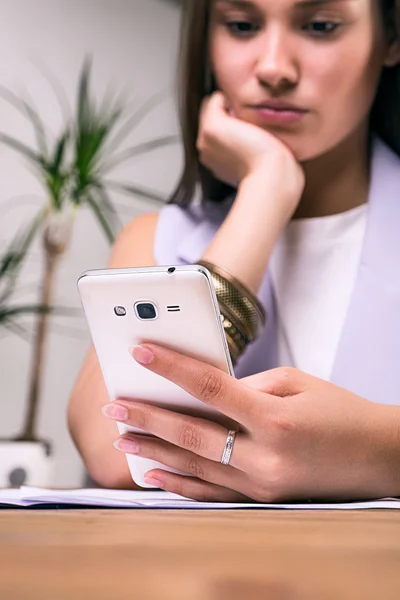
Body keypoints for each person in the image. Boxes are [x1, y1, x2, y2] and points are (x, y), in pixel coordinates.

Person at [68, 0, 400, 502]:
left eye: (320, 26)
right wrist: (266, 190)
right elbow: (114, 452)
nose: (273, 68)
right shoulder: (156, 239)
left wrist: (374, 449)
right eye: (242, 26)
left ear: (390, 38)